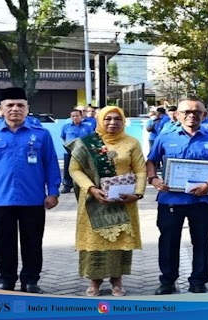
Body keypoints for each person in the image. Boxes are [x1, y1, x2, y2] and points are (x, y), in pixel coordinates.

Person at [0, 87, 61, 294]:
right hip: (0, 199)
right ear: (1, 109)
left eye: (20, 105)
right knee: (2, 243)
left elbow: (50, 164)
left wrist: (53, 191)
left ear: (27, 108)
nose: (15, 109)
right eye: (10, 105)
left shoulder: (41, 134)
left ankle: (30, 280)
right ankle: (6, 279)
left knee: (32, 243)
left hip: (33, 199)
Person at [146, 98, 208, 295]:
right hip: (170, 199)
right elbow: (151, 160)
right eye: (186, 112)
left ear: (204, 115)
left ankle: (198, 281)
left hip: (203, 200)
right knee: (168, 242)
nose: (191, 115)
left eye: (197, 112)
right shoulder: (165, 137)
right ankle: (168, 281)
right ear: (177, 115)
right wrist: (153, 179)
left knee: (201, 242)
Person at [66, 106, 146, 297]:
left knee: (120, 241)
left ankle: (117, 281)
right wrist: (91, 189)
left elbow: (141, 171)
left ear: (123, 121)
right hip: (95, 200)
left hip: (124, 200)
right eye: (108, 118)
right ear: (100, 120)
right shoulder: (86, 143)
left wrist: (138, 193)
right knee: (95, 242)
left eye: (117, 119)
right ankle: (95, 282)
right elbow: (74, 169)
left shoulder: (132, 143)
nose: (112, 123)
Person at [59, 109, 93, 194]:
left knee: (82, 169)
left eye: (77, 116)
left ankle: (82, 185)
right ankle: (67, 185)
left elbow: (91, 138)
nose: (75, 117)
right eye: (73, 116)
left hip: (82, 152)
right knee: (67, 169)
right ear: (71, 117)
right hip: (69, 151)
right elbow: (63, 137)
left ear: (81, 116)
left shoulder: (87, 127)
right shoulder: (66, 127)